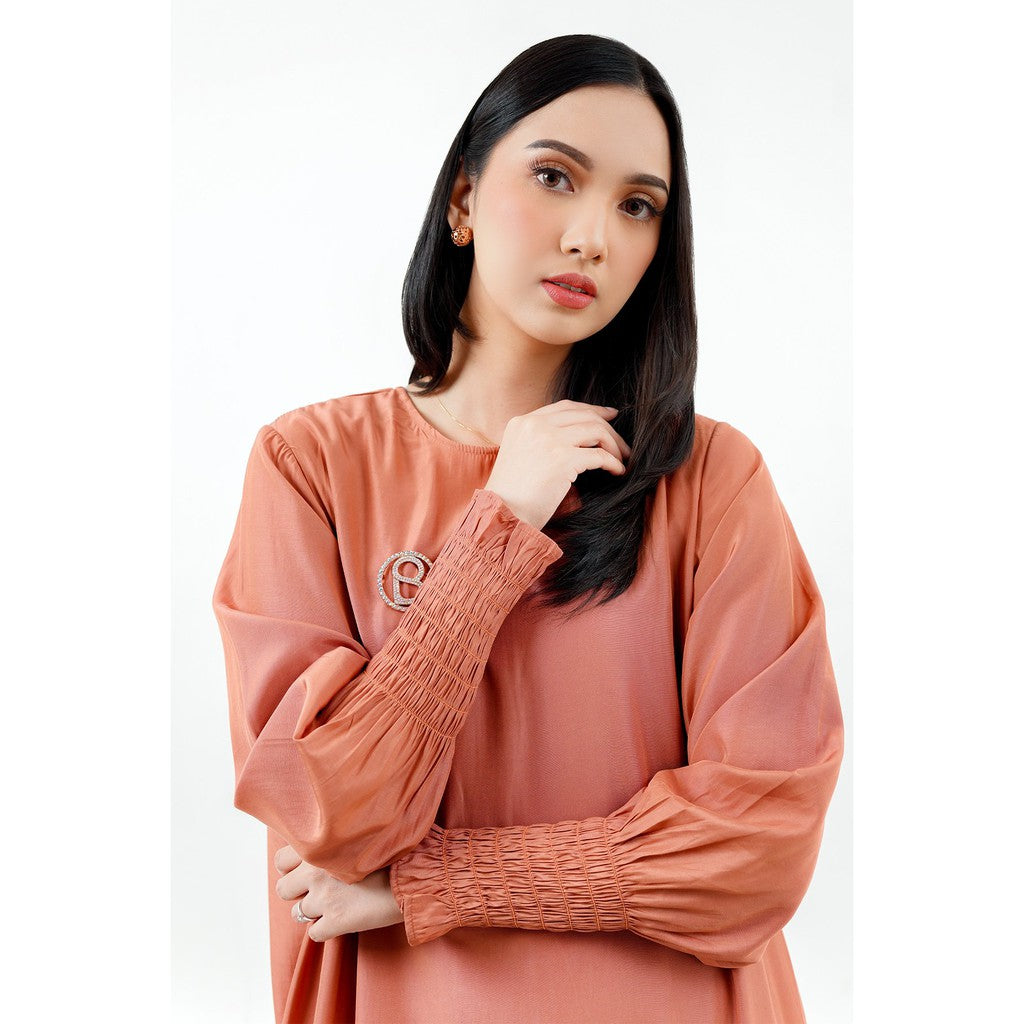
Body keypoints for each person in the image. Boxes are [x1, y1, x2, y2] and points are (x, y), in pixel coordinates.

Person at [211, 33, 844, 1024]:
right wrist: (498, 526)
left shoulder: (712, 480)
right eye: (555, 177)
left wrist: (438, 882)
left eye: (638, 205)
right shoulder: (311, 465)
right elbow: (329, 815)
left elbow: (759, 845)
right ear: (463, 199)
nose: (593, 236)